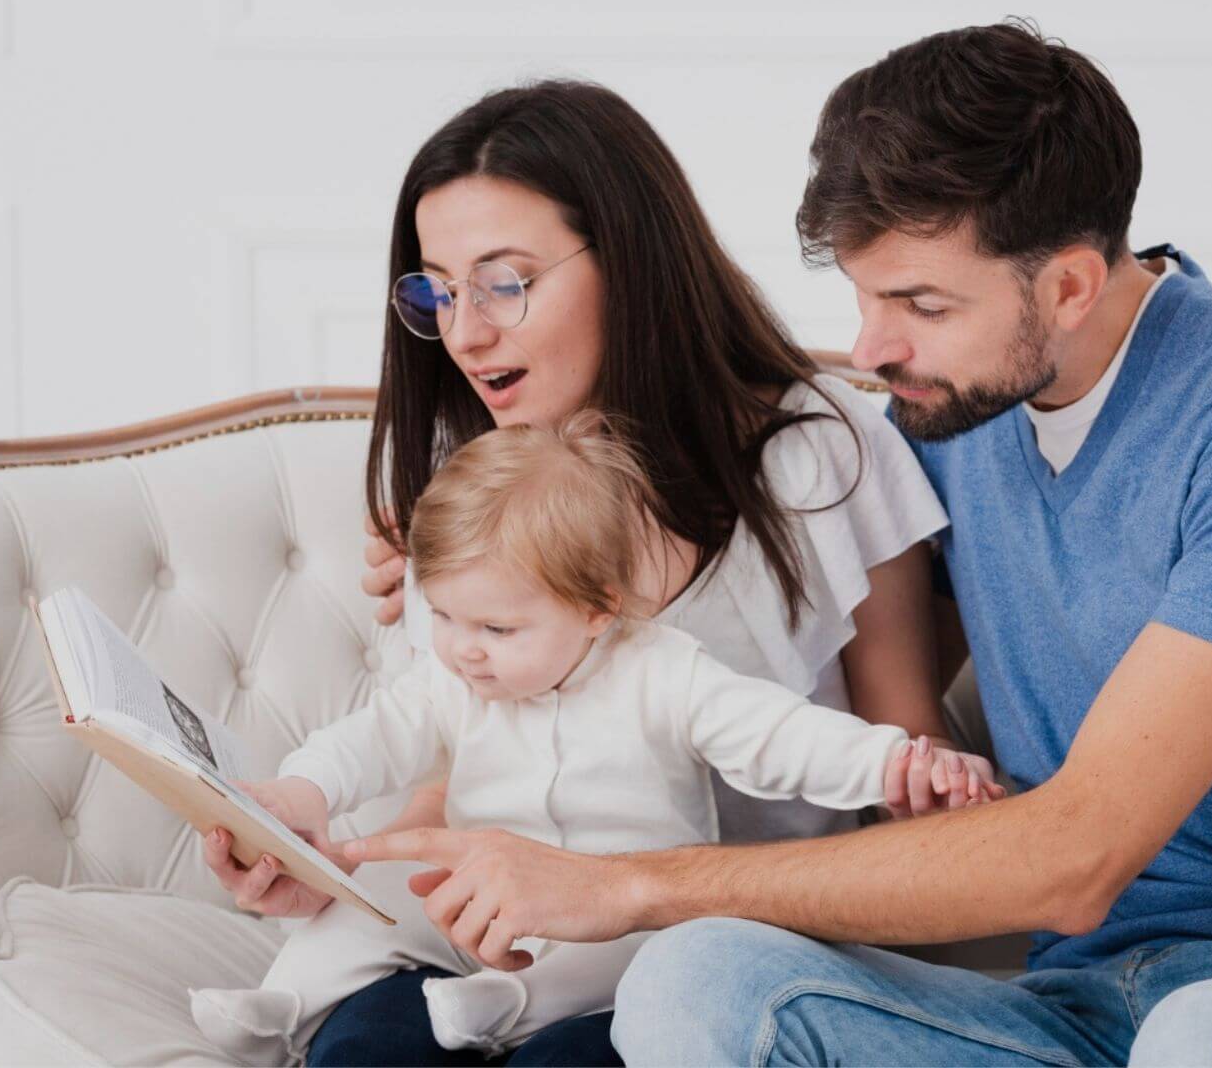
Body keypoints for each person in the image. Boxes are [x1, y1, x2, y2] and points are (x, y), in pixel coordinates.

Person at [342, 20, 1212, 1067]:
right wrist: (493, 557)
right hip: (1078, 1004)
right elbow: (755, 498)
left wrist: (627, 885)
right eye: (862, 296)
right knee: (697, 983)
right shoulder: (954, 413)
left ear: (1066, 285)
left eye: (920, 305)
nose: (872, 349)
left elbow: (1080, 853)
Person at [202, 79, 979, 1066]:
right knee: (365, 1050)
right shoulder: (467, 471)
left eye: (506, 282)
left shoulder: (817, 452)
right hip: (489, 941)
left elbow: (904, 780)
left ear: (630, 264)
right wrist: (329, 863)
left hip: (707, 953)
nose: (467, 332)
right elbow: (454, 761)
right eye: (438, 290)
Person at [189, 414, 999, 1064]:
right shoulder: (457, 680)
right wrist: (303, 792)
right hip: (476, 913)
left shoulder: (664, 674)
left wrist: (896, 761)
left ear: (596, 609)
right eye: (444, 617)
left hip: (612, 925)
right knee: (366, 907)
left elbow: (783, 738)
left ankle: (505, 1011)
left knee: (634, 954)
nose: (463, 648)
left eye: (498, 627)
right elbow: (367, 738)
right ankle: (287, 1003)